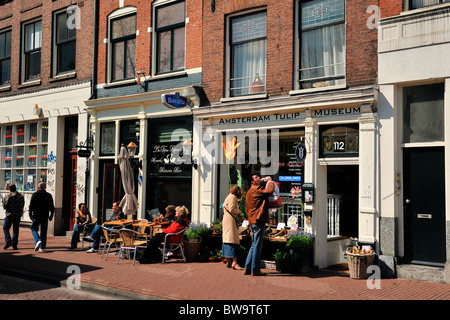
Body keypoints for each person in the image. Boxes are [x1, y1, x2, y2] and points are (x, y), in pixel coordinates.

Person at [244, 175, 274, 276]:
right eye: (256, 177)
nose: (259, 178)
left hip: (252, 220)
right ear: (252, 182)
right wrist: (270, 182)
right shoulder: (256, 189)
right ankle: (255, 270)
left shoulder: (249, 191)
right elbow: (269, 191)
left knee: (254, 245)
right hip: (258, 219)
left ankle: (247, 268)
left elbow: (246, 208)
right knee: (257, 245)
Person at [222, 185, 245, 270]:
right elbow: (232, 209)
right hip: (230, 220)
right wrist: (239, 212)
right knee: (233, 240)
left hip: (227, 219)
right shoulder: (233, 197)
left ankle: (229, 260)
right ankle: (235, 262)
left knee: (228, 239)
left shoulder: (229, 196)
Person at [29, 182, 55, 252]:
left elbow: (31, 205)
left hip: (36, 215)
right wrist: (51, 215)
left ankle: (37, 240)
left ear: (38, 187)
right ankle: (42, 246)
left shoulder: (35, 195)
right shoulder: (48, 195)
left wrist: (30, 214)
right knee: (43, 231)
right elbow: (52, 206)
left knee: (34, 228)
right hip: (45, 215)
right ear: (45, 187)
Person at [2, 184, 25, 250]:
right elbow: (22, 205)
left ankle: (8, 241)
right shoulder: (21, 196)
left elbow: (5, 206)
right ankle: (14, 244)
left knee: (5, 228)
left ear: (9, 189)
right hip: (17, 215)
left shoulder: (8, 196)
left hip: (9, 215)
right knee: (15, 230)